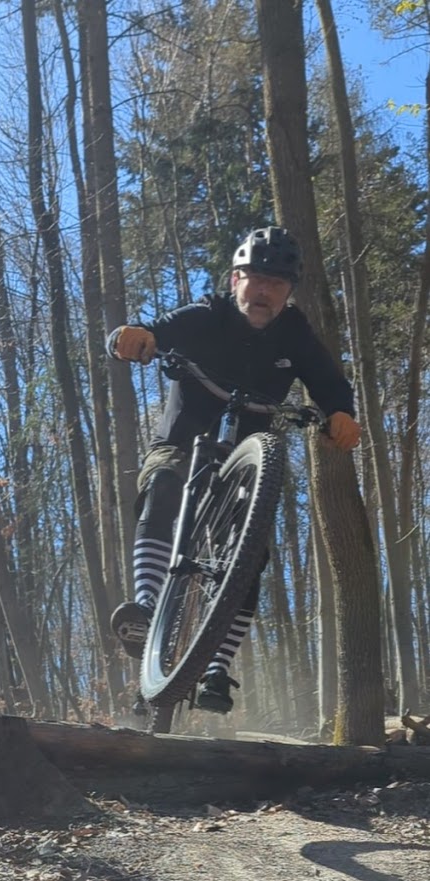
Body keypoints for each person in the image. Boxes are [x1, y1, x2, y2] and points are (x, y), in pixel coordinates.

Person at [108, 226, 361, 714]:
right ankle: (146, 607)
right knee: (165, 482)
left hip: (246, 457)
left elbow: (330, 382)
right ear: (235, 279)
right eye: (256, 278)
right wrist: (130, 337)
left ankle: (217, 666)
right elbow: (154, 330)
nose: (265, 291)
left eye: (277, 283)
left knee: (252, 548)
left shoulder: (294, 332)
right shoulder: (208, 314)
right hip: (181, 443)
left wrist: (340, 413)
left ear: (289, 292)